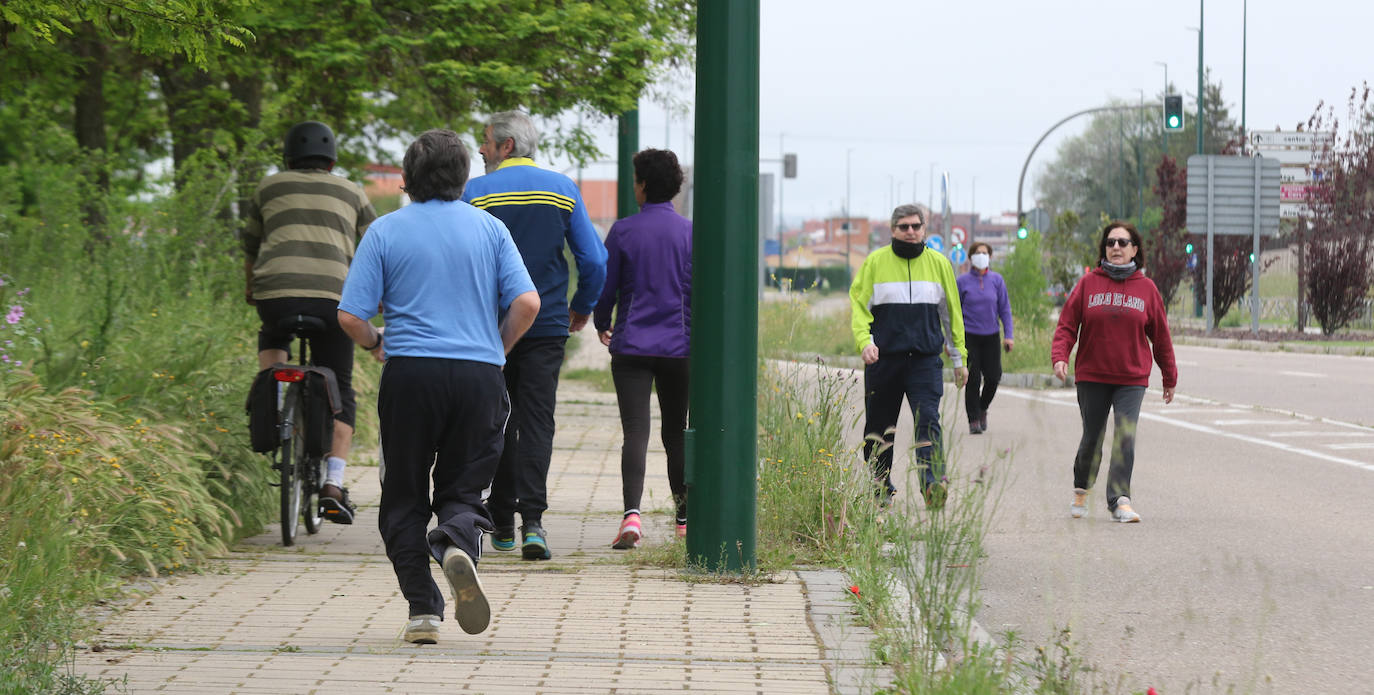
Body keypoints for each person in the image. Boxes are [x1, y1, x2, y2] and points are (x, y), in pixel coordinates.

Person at [337, 129, 540, 643]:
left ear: (406, 180)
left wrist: (374, 342)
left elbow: (350, 317)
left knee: (403, 493)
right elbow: (527, 304)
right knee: (464, 487)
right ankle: (453, 542)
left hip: (411, 376)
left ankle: (423, 609)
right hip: (478, 378)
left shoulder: (385, 231)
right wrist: (497, 348)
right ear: (466, 177)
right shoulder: (491, 229)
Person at [461, 110, 607, 561]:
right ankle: (534, 525)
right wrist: (581, 308)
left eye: (485, 141)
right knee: (537, 421)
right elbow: (595, 260)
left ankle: (500, 520)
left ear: (506, 146)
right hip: (545, 325)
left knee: (495, 419)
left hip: (491, 328)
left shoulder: (474, 193)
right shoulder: (562, 189)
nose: (481, 150)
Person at [243, 120, 378, 524]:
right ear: (332, 160)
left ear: (288, 157)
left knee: (272, 343)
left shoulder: (268, 186)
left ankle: (274, 399)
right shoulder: (352, 190)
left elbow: (250, 245)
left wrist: (252, 288)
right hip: (332, 300)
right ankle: (333, 485)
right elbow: (373, 245)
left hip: (276, 295)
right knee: (340, 383)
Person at [592, 149, 692, 549]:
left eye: (635, 179)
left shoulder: (623, 231)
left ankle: (631, 517)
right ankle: (685, 519)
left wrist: (602, 323)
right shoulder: (690, 232)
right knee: (676, 432)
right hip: (679, 346)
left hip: (631, 343)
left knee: (636, 430)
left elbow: (606, 284)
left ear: (644, 185)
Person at [1052, 220, 1177, 523]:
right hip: (1092, 375)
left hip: (1131, 378)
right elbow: (1067, 324)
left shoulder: (1146, 289)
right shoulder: (1088, 284)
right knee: (1092, 438)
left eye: (1123, 242)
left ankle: (1119, 499)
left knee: (1125, 437)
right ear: (1104, 249)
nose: (1116, 247)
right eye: (1110, 243)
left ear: (1135, 249)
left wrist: (1169, 376)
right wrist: (1060, 356)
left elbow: (1160, 335)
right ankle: (1081, 487)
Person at [850, 204, 967, 509]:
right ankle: (880, 483)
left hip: (925, 361)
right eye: (904, 227)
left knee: (928, 420)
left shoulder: (939, 264)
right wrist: (865, 341)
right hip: (883, 360)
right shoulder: (875, 263)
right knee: (879, 426)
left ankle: (932, 484)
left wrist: (959, 360)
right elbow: (859, 308)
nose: (911, 231)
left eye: (916, 226)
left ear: (924, 229)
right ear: (893, 230)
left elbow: (952, 315)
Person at [957, 241, 1014, 435]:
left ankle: (982, 407)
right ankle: (973, 419)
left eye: (985, 253)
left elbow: (1004, 309)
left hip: (991, 336)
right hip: (969, 336)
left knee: (993, 376)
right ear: (971, 257)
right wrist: (952, 341)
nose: (981, 256)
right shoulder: (962, 282)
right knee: (972, 379)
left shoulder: (997, 280)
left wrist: (1009, 335)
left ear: (990, 256)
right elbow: (954, 312)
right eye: (977, 253)